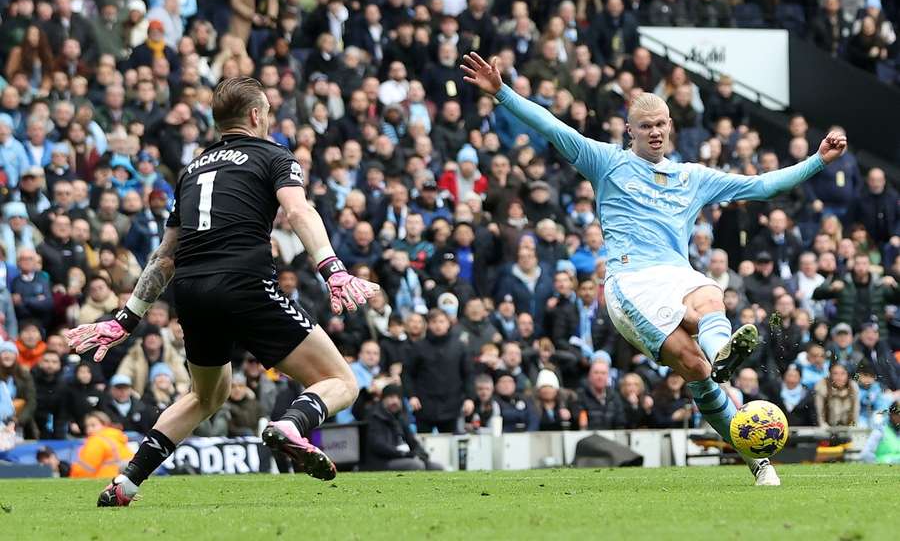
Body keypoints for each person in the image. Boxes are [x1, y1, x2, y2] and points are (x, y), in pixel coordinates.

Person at [462, 50, 848, 485]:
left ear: (671, 125)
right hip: (631, 283)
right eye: (646, 126)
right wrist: (502, 93)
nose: (655, 132)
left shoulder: (691, 177)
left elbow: (762, 186)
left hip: (676, 273)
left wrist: (818, 160)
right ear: (631, 131)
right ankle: (749, 441)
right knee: (695, 369)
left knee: (710, 296)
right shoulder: (606, 163)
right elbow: (552, 126)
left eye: (661, 123)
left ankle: (732, 384)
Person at [65, 77, 379, 506]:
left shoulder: (192, 170)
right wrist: (333, 269)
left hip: (192, 292)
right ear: (255, 116)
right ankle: (289, 426)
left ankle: (126, 483)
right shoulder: (274, 156)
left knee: (206, 395)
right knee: (340, 379)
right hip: (243, 283)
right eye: (266, 111)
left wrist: (127, 318)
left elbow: (164, 257)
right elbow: (297, 209)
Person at [364, 384, 443, 471]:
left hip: (402, 457)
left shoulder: (400, 418)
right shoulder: (374, 417)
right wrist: (404, 454)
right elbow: (378, 446)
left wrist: (421, 454)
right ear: (383, 399)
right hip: (382, 461)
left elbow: (412, 441)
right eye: (391, 397)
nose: (395, 401)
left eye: (398, 398)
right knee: (416, 465)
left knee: (437, 467)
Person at [69, 411, 135, 479]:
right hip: (126, 477)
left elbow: (85, 467)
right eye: (87, 426)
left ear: (104, 424)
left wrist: (73, 477)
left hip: (107, 477)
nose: (89, 429)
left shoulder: (96, 440)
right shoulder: (116, 436)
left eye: (93, 425)